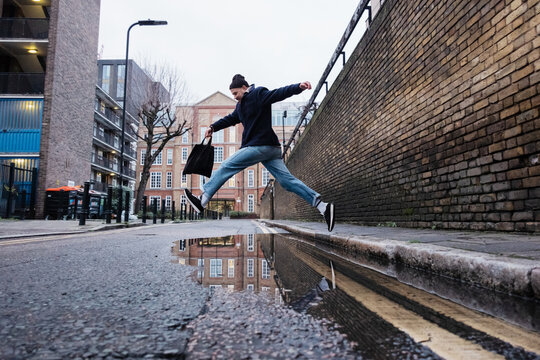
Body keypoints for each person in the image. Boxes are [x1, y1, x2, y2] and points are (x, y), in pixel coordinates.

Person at [184, 74, 335, 231]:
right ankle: (323, 206)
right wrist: (213, 127)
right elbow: (230, 119)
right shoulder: (240, 106)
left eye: (236, 93)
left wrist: (298, 87)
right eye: (232, 95)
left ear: (244, 88)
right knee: (287, 182)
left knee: (228, 165)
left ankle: (203, 199)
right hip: (271, 150)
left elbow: (278, 93)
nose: (235, 97)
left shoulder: (258, 94)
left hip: (259, 146)